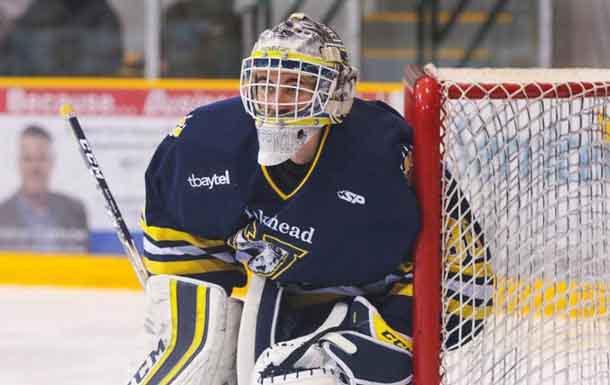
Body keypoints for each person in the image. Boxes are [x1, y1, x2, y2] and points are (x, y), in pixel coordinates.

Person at [128, 14, 492, 385]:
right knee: (193, 365)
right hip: (277, 292)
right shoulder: (206, 143)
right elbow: (178, 240)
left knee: (311, 378)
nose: (275, 102)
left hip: (378, 299)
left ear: (338, 94)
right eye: (266, 84)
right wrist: (200, 329)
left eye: (295, 86)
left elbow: (468, 292)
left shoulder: (385, 159)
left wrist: (380, 339)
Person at [0, 125, 89, 253]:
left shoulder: (75, 210)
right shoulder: (2, 214)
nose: (35, 167)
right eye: (28, 159)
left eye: (42, 158)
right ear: (18, 162)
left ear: (52, 161)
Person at [0, 0, 122, 76]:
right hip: (39, 91)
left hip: (94, 93)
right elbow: (13, 56)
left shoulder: (101, 12)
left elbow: (110, 61)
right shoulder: (40, 10)